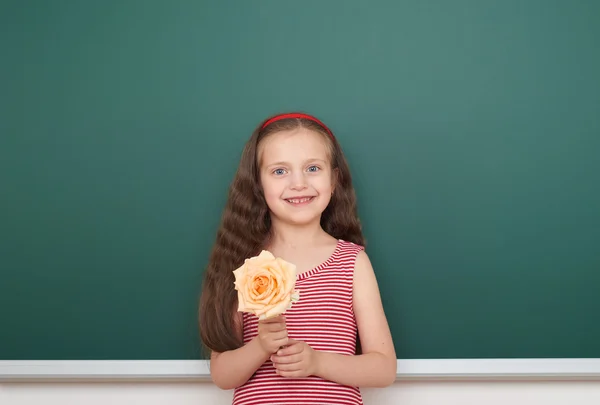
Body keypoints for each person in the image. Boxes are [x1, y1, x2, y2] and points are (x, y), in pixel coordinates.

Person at [199, 112, 396, 404]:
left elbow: (383, 368)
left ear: (334, 178)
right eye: (280, 171)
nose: (299, 183)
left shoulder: (351, 263)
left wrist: (317, 363)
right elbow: (223, 376)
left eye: (313, 168)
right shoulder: (245, 264)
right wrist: (261, 346)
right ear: (258, 183)